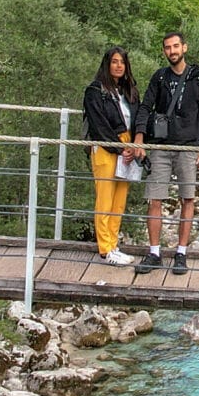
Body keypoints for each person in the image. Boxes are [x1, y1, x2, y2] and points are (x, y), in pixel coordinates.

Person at [139, 29, 199, 272]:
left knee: (187, 198)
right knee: (155, 199)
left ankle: (181, 253)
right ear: (164, 51)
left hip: (188, 146)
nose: (172, 51)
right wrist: (139, 137)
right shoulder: (159, 77)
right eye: (168, 47)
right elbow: (145, 106)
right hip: (161, 146)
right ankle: (154, 253)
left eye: (175, 46)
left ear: (184, 48)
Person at [82, 47, 142, 266]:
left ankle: (114, 244)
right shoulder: (95, 91)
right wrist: (119, 148)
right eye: (115, 62)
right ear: (107, 64)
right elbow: (98, 124)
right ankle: (105, 249)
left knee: (119, 200)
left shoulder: (129, 91)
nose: (119, 66)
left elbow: (138, 117)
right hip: (106, 147)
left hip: (128, 146)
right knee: (105, 198)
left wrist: (135, 145)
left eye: (122, 62)